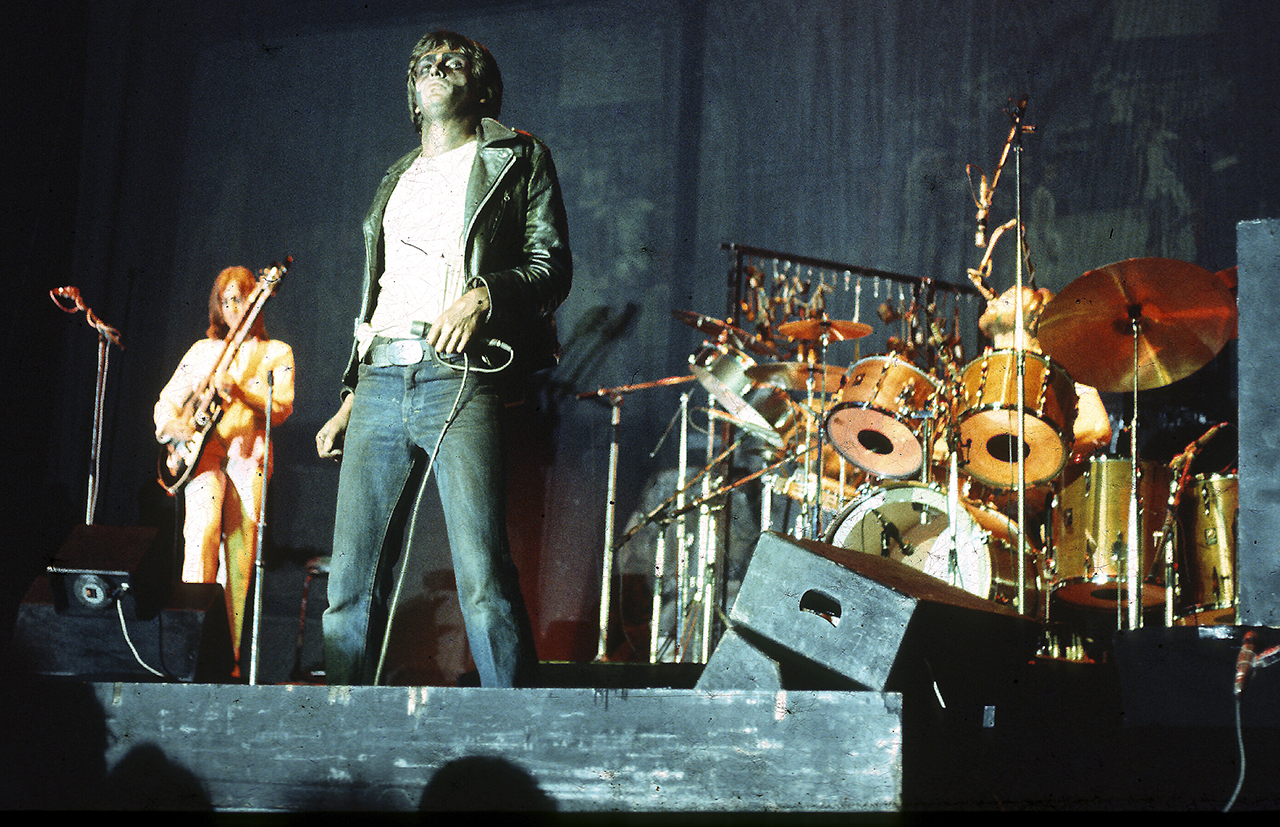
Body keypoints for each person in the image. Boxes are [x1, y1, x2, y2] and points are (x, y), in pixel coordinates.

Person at [315, 30, 571, 687]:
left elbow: (552, 265)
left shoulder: (517, 158)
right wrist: (352, 392)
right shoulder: (396, 177)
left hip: (457, 372)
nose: (432, 71)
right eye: (422, 65)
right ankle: (342, 737)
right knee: (350, 579)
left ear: (481, 86)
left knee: (482, 572)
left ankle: (516, 734)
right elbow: (382, 286)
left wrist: (484, 295)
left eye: (450, 63)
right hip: (378, 378)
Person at [155, 265, 295, 674]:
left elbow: (282, 407)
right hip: (202, 457)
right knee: (200, 535)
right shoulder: (202, 352)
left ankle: (225, 658)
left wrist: (243, 393)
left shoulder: (277, 353)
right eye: (227, 299)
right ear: (219, 306)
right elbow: (167, 401)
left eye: (242, 297)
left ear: (256, 298)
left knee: (239, 555)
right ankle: (189, 646)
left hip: (247, 456)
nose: (235, 306)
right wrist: (172, 427)